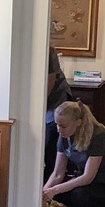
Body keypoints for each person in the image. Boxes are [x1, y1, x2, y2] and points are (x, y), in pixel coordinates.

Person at [44, 47, 72, 182]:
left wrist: (36, 108)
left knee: (51, 145)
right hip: (39, 103)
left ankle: (52, 191)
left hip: (55, 101)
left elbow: (49, 82)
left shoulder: (48, 50)